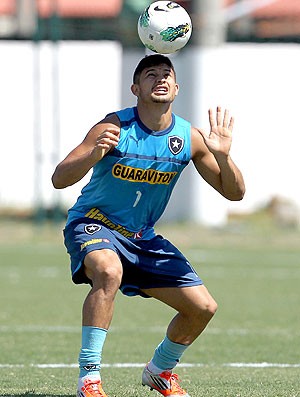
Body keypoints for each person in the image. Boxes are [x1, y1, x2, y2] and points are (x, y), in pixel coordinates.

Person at [52, 54, 245, 397]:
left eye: (166, 75)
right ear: (135, 88)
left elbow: (235, 193)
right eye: (151, 74)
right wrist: (92, 155)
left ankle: (160, 371)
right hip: (94, 223)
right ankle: (89, 379)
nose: (160, 79)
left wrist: (224, 156)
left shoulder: (189, 137)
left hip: (142, 238)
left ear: (176, 87)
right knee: (109, 272)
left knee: (202, 308)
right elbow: (59, 178)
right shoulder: (113, 127)